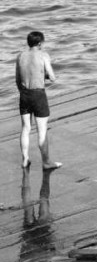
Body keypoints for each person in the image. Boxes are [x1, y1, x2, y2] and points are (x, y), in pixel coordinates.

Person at [16, 31, 61, 170]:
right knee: (42, 130)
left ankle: (25, 159)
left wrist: (24, 92)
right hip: (38, 95)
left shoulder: (20, 56)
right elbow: (52, 77)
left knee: (25, 128)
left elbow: (17, 80)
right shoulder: (43, 55)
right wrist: (45, 76)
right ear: (40, 43)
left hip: (24, 94)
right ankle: (46, 162)